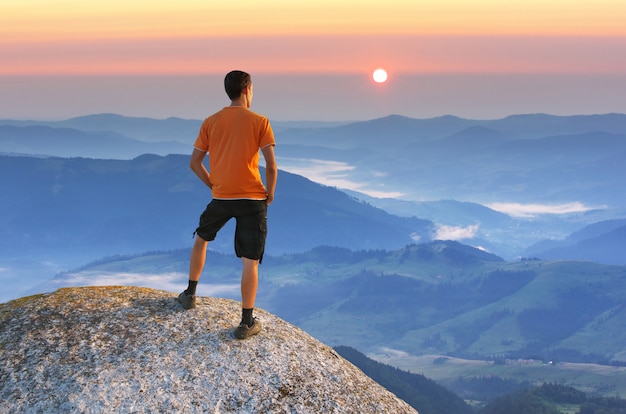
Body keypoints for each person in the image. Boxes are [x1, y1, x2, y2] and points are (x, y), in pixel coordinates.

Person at [177, 70, 277, 340]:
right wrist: (271, 193)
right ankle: (246, 322)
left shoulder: (211, 122)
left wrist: (213, 184)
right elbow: (271, 165)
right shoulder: (260, 121)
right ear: (246, 90)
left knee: (201, 238)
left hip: (221, 197)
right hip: (253, 199)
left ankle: (190, 293)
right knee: (250, 261)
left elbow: (194, 163)